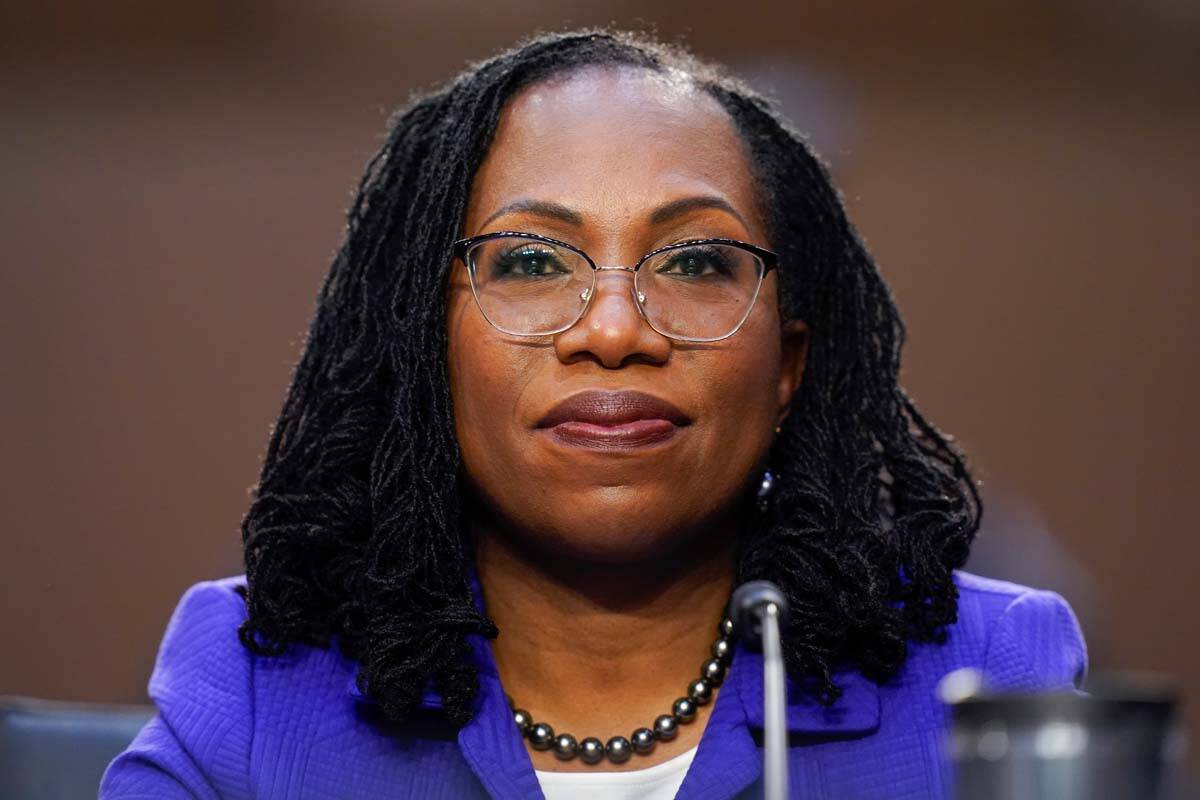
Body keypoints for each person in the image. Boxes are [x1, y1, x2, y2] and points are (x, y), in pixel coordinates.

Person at [100, 27, 1086, 800]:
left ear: (788, 366)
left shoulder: (993, 678)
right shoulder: (257, 689)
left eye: (695, 261)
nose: (614, 329)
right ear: (426, 345)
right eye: (531, 261)